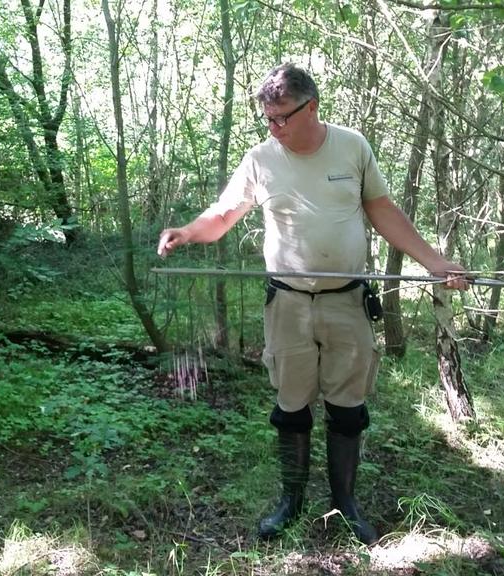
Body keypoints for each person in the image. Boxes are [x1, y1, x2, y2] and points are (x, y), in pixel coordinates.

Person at [157, 63, 468, 545]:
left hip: (347, 303)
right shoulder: (261, 158)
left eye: (282, 117)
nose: (274, 127)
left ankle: (345, 504)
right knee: (291, 405)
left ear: (312, 107)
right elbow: (223, 214)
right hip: (288, 304)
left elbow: (383, 209)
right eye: (268, 118)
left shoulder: (352, 146)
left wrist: (434, 262)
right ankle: (291, 500)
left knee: (347, 408)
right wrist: (187, 232)